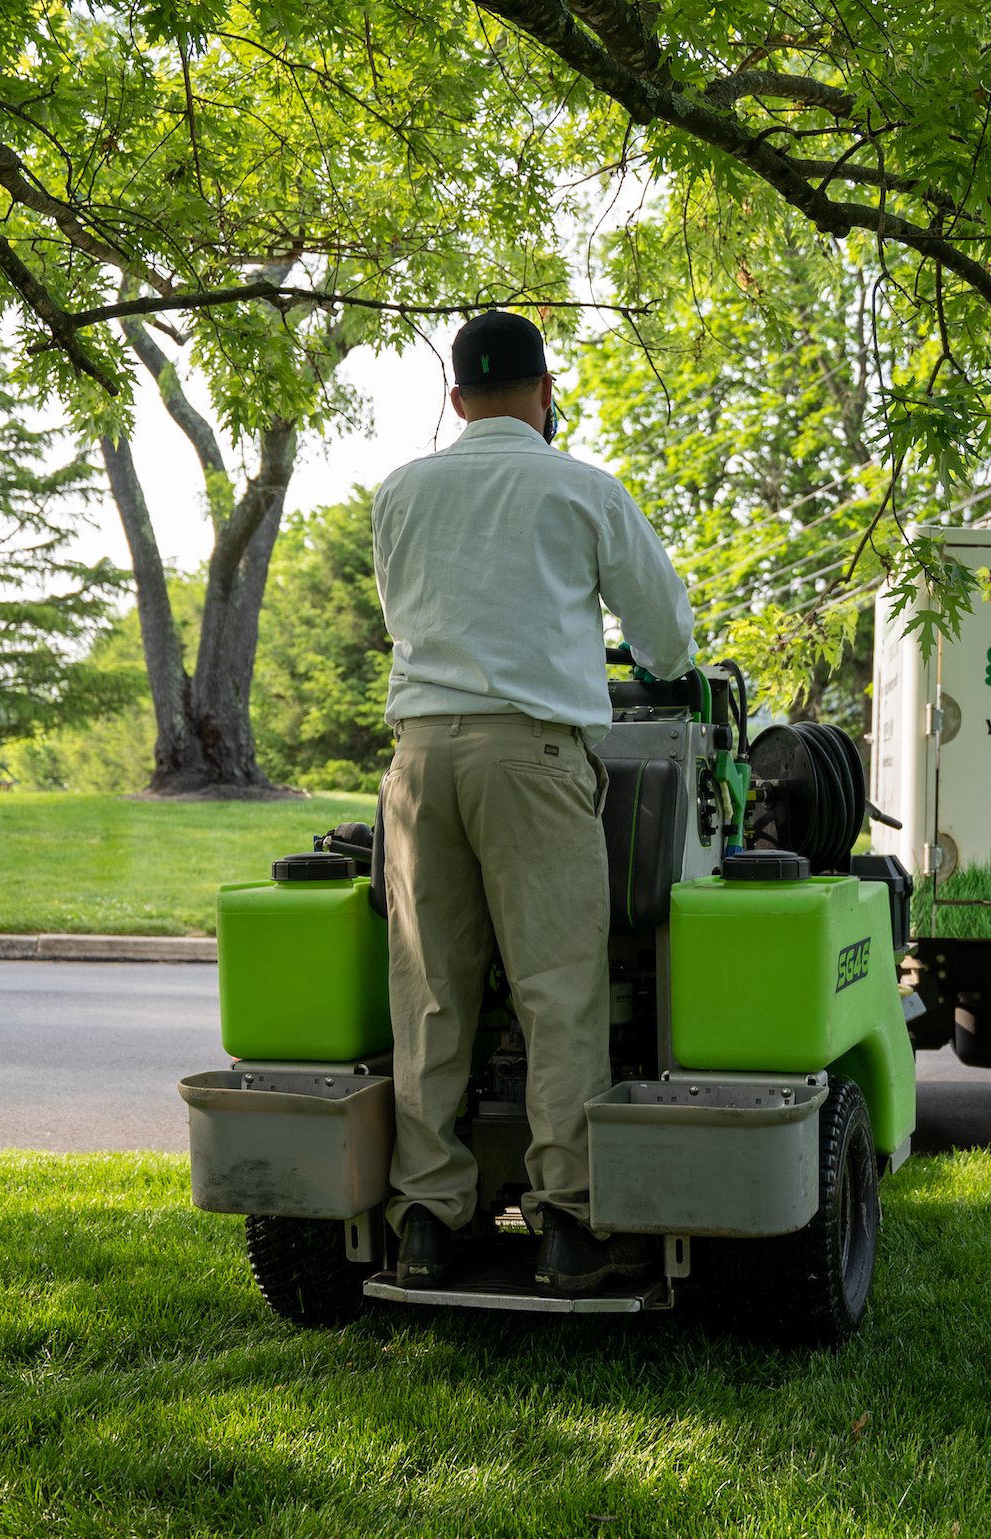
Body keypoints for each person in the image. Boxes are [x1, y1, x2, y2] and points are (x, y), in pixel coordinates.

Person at [371, 310, 695, 1296]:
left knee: (431, 994)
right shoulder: (579, 487)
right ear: (547, 393)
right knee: (560, 995)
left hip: (420, 759)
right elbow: (665, 631)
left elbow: (409, 614)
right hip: (534, 759)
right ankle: (567, 1227)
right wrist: (663, 670)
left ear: (458, 400)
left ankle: (426, 1221)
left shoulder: (401, 493)